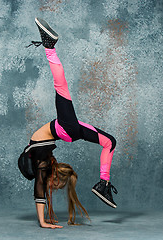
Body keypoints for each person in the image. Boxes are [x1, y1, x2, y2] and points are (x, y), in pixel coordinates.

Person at [18, 18, 118, 229]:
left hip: (65, 130)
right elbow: (39, 188)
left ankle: (104, 183)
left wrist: (45, 218)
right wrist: (43, 222)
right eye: (55, 184)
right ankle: (49, 47)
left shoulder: (39, 157)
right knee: (60, 87)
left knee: (110, 142)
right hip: (65, 128)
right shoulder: (42, 160)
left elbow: (40, 187)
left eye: (54, 185)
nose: (51, 186)